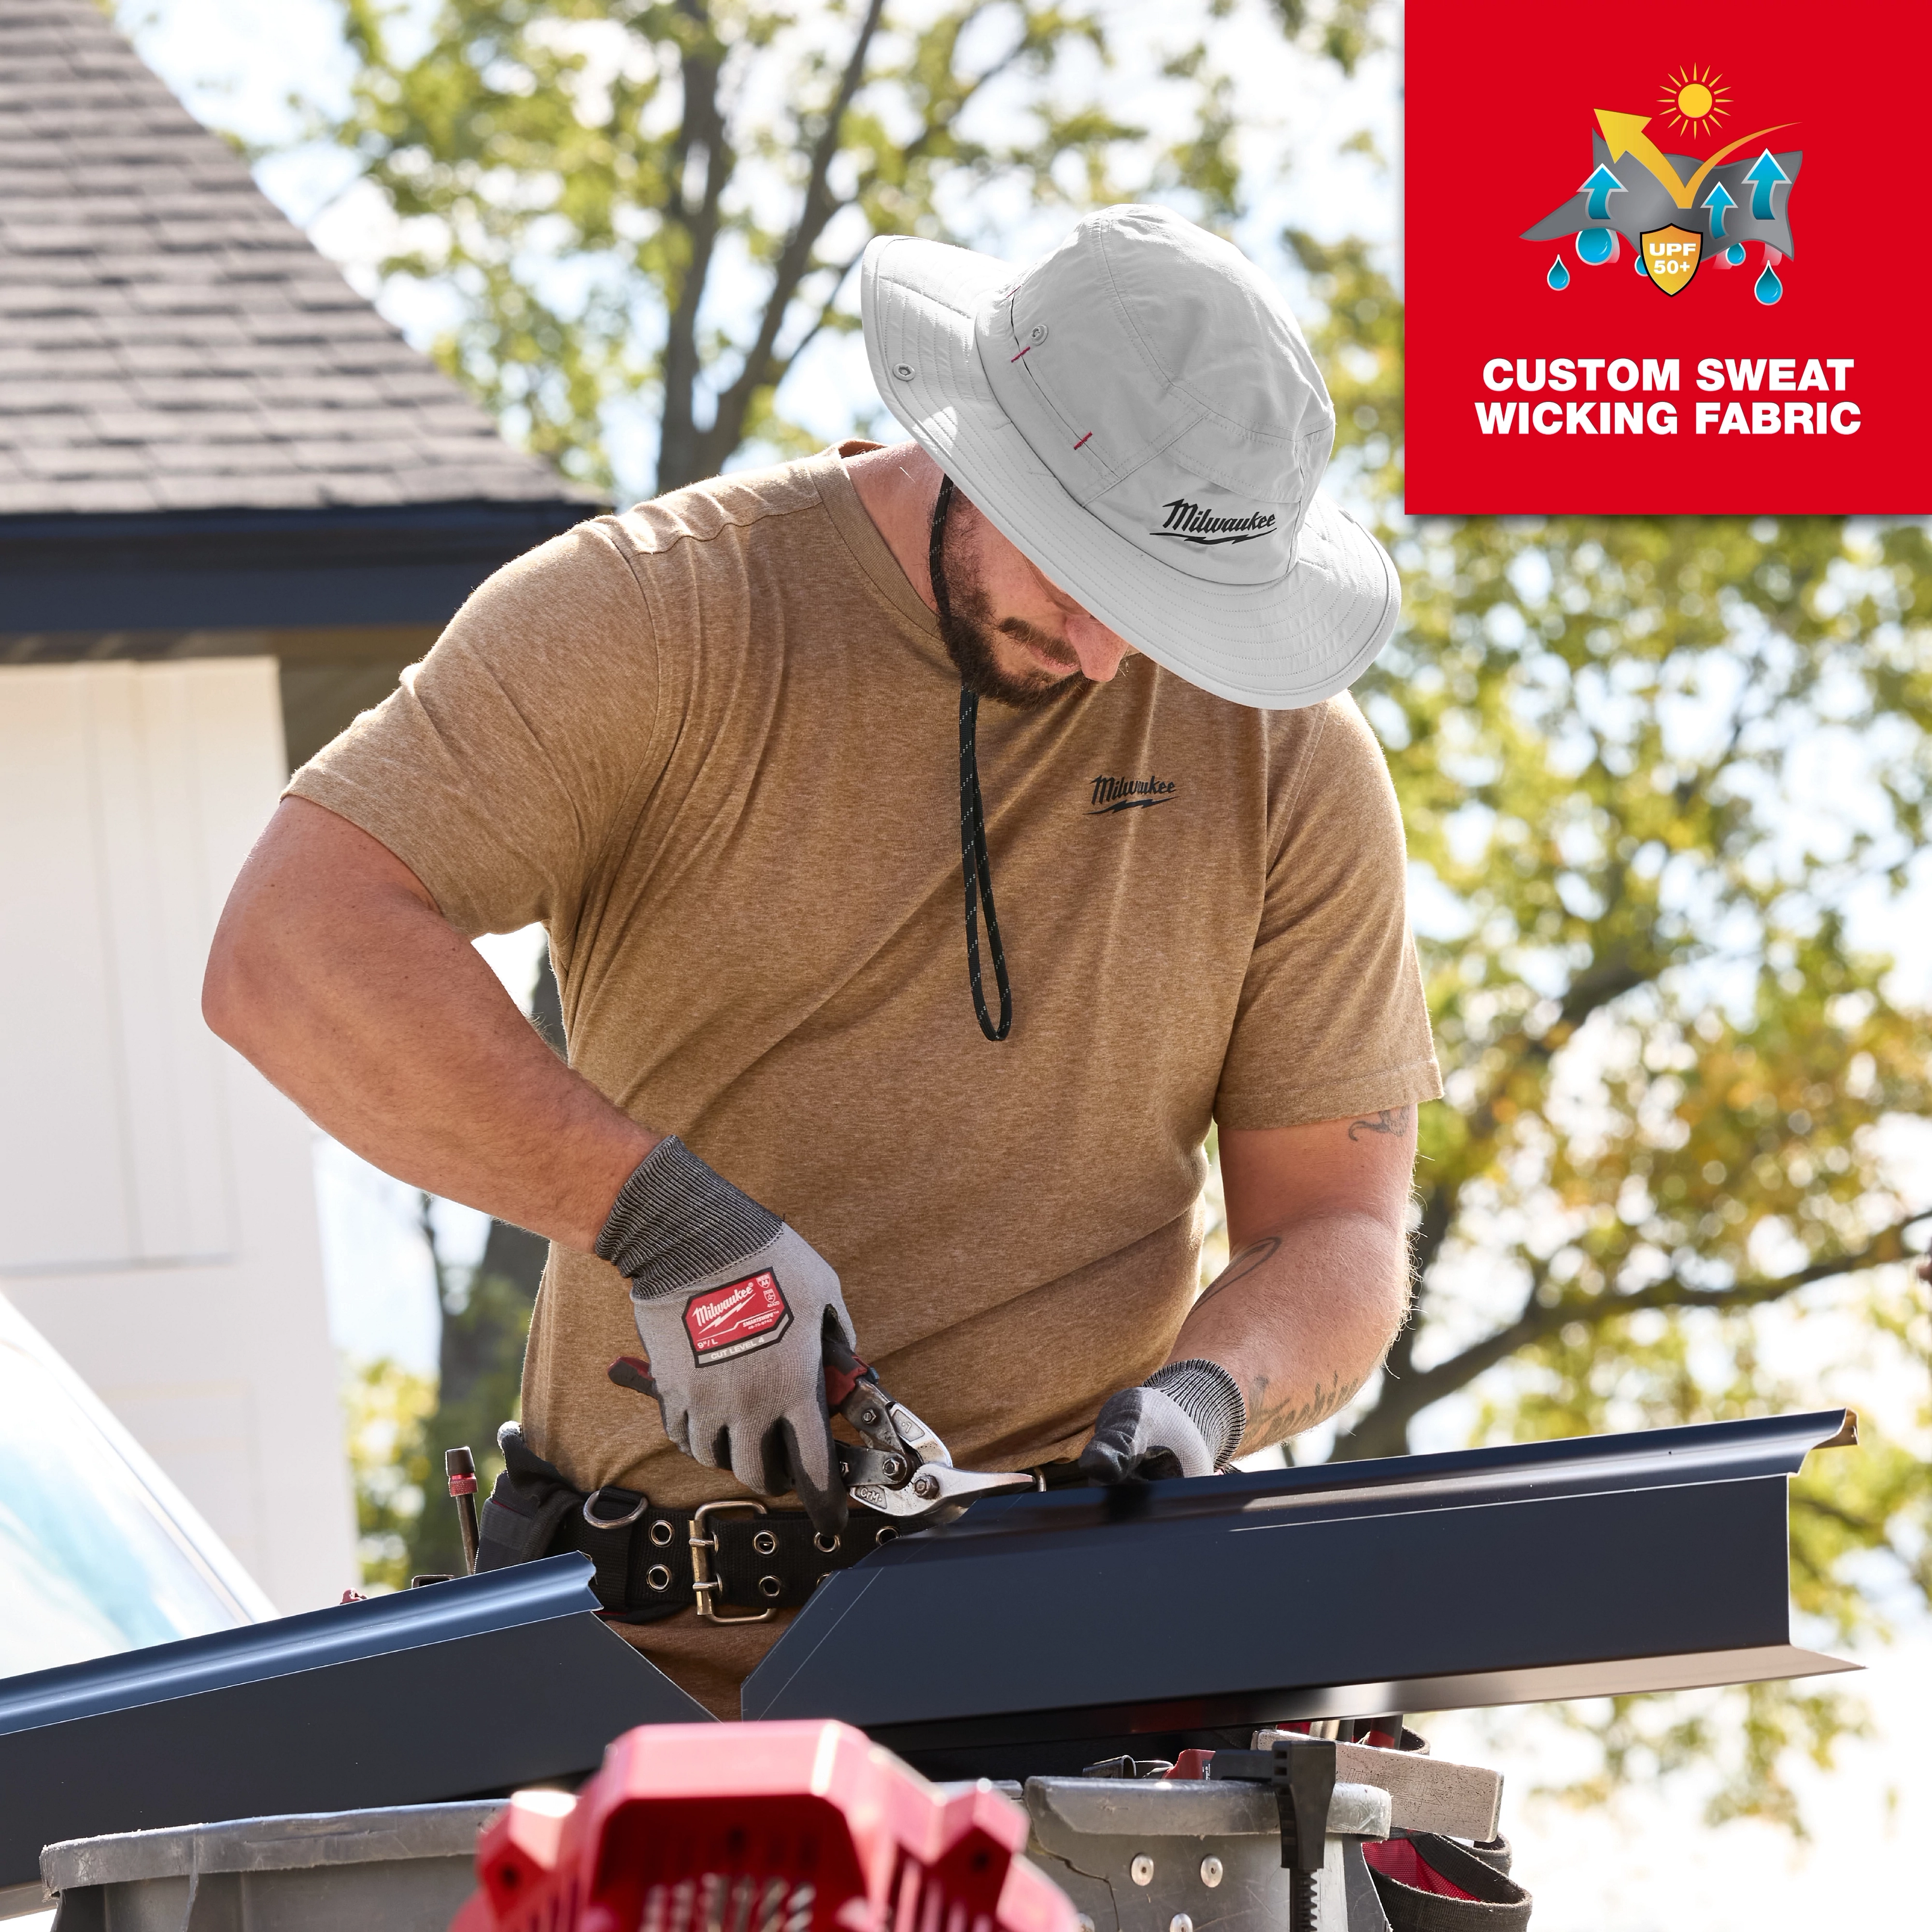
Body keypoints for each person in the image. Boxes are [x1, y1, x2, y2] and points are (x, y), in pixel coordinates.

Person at [203, 204, 1441, 1717]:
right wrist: (668, 1226)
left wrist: (1206, 1399)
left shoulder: (1288, 758)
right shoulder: (662, 617)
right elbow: (290, 947)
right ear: (981, 437)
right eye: (1079, 575)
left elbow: (1340, 1234)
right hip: (634, 1674)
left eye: (1167, 609)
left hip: (1090, 1665)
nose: (1116, 654)